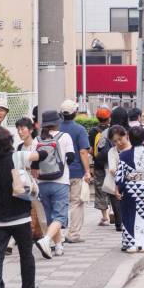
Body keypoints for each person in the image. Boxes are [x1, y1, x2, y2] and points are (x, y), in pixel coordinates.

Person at [0, 126, 44, 288]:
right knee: (26, 253)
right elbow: (40, 155)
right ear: (8, 141)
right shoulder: (17, 156)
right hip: (20, 215)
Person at [32, 111, 75, 259]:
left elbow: (33, 161)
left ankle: (58, 247)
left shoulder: (37, 139)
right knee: (60, 217)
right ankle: (46, 240)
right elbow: (71, 157)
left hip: (42, 183)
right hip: (60, 181)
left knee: (51, 217)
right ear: (58, 122)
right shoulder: (65, 137)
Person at [116, 125, 144, 253]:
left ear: (129, 138)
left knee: (129, 216)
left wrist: (118, 189)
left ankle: (130, 244)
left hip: (129, 189)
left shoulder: (123, 155)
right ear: (143, 139)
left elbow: (119, 175)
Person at [58, 100, 91, 244]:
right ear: (75, 113)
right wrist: (87, 171)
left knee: (60, 203)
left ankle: (58, 234)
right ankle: (73, 234)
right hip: (76, 171)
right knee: (76, 203)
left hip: (58, 172)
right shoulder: (80, 129)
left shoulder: (55, 128)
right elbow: (83, 151)